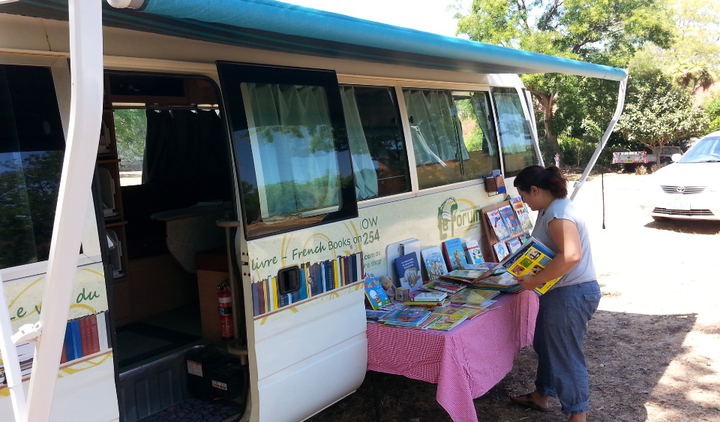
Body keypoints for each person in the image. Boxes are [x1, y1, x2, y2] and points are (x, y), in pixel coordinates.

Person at [509, 165, 602, 422]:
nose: (524, 202)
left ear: (535, 190)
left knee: (565, 354)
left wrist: (535, 280)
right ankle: (542, 395)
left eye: (524, 196)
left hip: (570, 294)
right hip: (561, 293)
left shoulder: (558, 213)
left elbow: (571, 255)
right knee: (547, 346)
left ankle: (578, 415)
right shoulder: (551, 208)